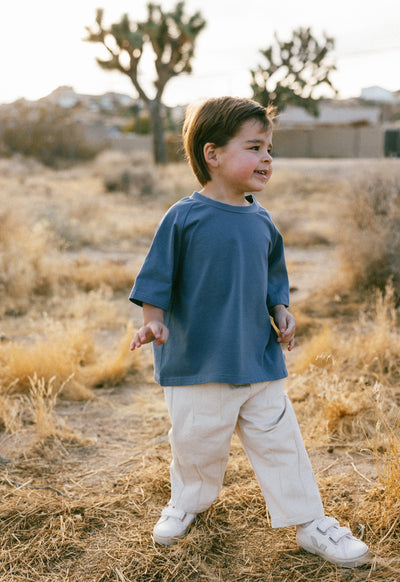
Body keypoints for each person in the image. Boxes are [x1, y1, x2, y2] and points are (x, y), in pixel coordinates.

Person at [129, 96, 371, 568]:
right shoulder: (183, 217)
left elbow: (273, 279)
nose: (267, 158)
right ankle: (188, 503)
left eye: (270, 150)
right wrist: (152, 321)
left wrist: (281, 310)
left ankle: (309, 521)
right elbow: (157, 276)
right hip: (198, 363)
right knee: (196, 444)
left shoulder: (262, 221)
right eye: (254, 147)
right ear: (212, 154)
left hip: (257, 360)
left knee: (282, 443)